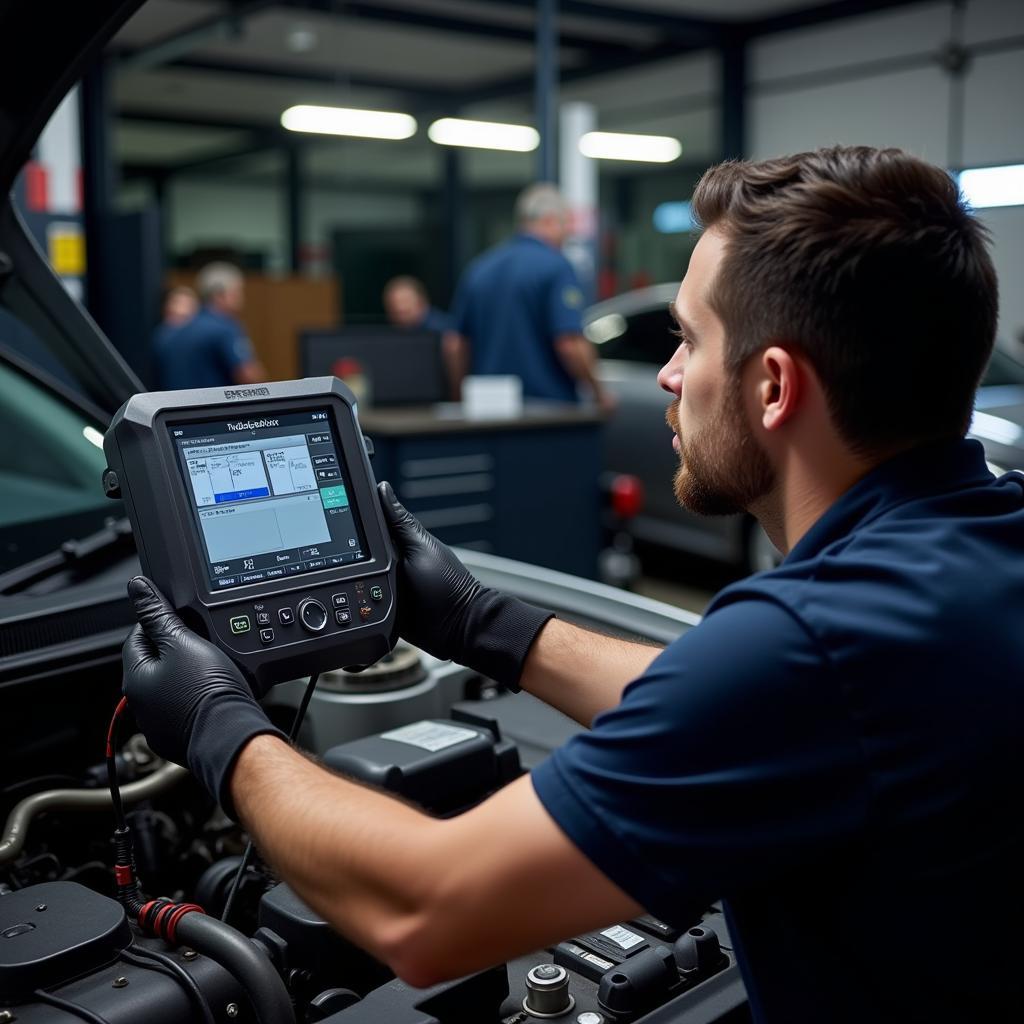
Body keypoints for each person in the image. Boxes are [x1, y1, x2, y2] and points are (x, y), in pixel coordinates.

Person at [121, 146, 1023, 1022]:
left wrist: (221, 731)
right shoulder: (980, 542)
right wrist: (486, 625)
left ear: (774, 387)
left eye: (688, 339)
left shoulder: (817, 646)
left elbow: (427, 911)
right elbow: (747, 703)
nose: (669, 375)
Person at [446, 183, 613, 409]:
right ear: (550, 220)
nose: (567, 234)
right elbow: (569, 344)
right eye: (565, 225)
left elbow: (455, 345)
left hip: (486, 412)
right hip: (546, 410)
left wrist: (459, 399)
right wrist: (598, 393)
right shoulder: (557, 266)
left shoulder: (479, 269)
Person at [153, 262, 266, 390]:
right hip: (216, 407)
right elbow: (248, 376)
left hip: (176, 407)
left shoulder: (171, 330)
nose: (242, 298)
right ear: (219, 295)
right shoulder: (225, 328)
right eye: (236, 291)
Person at [382, 275, 452, 333]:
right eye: (395, 312)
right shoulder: (392, 333)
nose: (401, 307)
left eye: (406, 311)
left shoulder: (445, 332)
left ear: (421, 303)